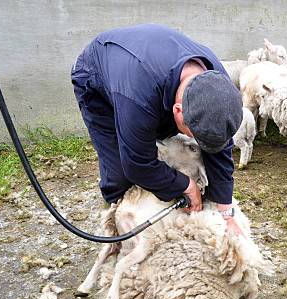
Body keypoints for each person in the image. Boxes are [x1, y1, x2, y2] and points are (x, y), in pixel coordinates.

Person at [71, 24, 244, 234]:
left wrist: (225, 209)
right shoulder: (138, 97)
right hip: (98, 76)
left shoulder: (217, 84)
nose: (196, 141)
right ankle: (117, 227)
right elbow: (137, 163)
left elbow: (220, 145)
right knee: (120, 172)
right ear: (178, 110)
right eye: (194, 134)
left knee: (152, 141)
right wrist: (184, 185)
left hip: (151, 73)